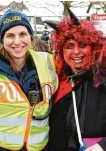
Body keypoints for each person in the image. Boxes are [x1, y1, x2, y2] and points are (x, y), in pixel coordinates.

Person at [0, 9, 58, 151]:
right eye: (10, 35)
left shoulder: (49, 63)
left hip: (38, 148)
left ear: (31, 37)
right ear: (2, 40)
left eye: (23, 34)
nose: (17, 41)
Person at [45, 7, 106, 151]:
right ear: (61, 51)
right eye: (69, 46)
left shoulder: (102, 78)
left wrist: (103, 146)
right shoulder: (57, 79)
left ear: (93, 47)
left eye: (83, 45)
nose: (76, 52)